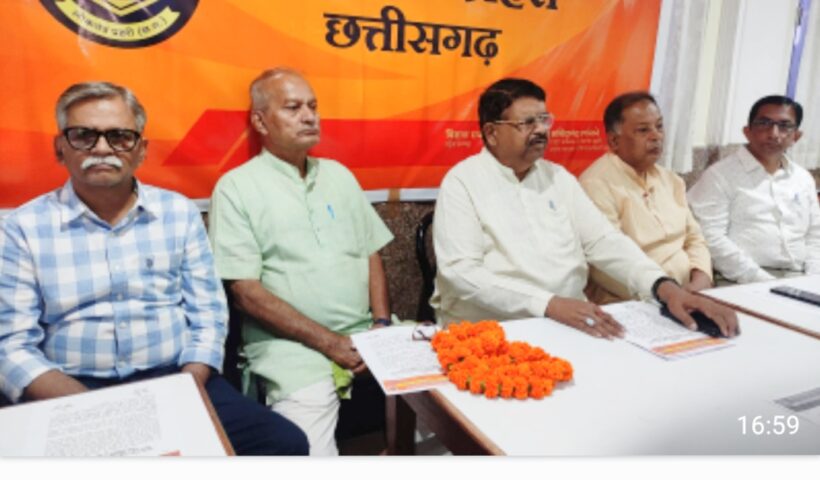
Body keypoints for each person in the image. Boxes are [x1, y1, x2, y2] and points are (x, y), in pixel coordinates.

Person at [0, 82, 308, 455]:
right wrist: (95, 411)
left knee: (285, 443)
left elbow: (208, 315)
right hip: (71, 388)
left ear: (141, 150)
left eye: (119, 137)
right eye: (83, 136)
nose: (102, 148)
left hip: (176, 377)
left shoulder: (178, 213)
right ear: (60, 147)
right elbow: (11, 346)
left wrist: (187, 388)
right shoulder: (23, 228)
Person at [431, 78, 738, 338]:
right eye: (527, 123)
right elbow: (462, 273)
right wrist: (548, 304)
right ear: (491, 133)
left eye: (544, 120)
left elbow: (604, 241)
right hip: (494, 328)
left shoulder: (558, 178)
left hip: (571, 320)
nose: (540, 130)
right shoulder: (462, 182)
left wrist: (663, 287)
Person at [209, 68, 394, 455]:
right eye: (293, 108)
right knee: (306, 452)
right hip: (292, 350)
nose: (309, 117)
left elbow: (370, 252)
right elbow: (245, 292)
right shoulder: (236, 187)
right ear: (261, 122)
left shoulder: (339, 176)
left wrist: (380, 324)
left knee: (446, 412)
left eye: (312, 106)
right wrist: (331, 343)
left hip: (367, 334)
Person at [579, 92, 712, 304]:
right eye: (643, 130)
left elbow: (694, 238)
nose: (656, 136)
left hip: (690, 293)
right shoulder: (596, 184)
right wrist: (664, 293)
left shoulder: (671, 180)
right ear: (614, 140)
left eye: (659, 127)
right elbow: (604, 263)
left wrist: (701, 280)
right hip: (633, 301)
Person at [687, 95, 820, 284]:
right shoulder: (719, 176)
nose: (774, 133)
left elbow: (815, 236)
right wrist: (765, 282)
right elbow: (710, 239)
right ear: (747, 131)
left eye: (784, 126)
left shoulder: (803, 179)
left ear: (796, 137)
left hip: (799, 276)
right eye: (764, 123)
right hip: (738, 280)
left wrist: (813, 280)